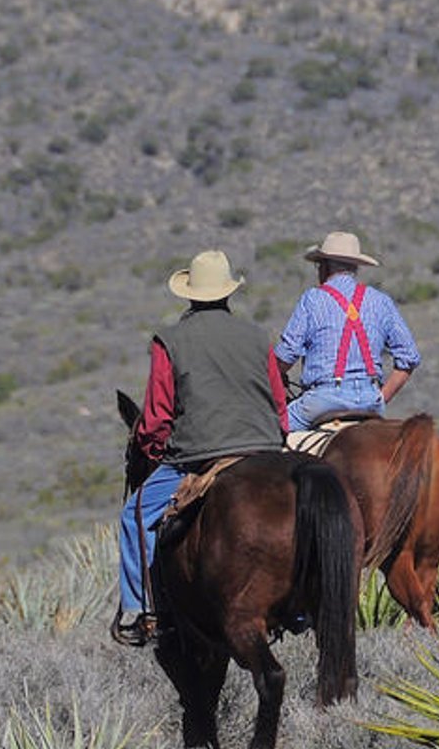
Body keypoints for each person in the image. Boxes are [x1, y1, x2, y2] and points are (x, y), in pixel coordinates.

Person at [116, 249, 288, 641]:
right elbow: (279, 404)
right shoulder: (257, 336)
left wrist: (154, 447)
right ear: (228, 293)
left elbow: (158, 416)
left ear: (189, 294)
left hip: (197, 454)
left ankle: (144, 610)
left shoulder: (170, 341)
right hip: (262, 448)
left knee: (134, 517)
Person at [274, 231, 421, 431]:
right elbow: (409, 358)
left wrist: (271, 375)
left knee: (271, 432)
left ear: (324, 267)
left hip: (322, 400)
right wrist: (381, 398)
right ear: (355, 267)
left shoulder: (313, 299)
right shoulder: (380, 301)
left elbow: (287, 354)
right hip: (370, 401)